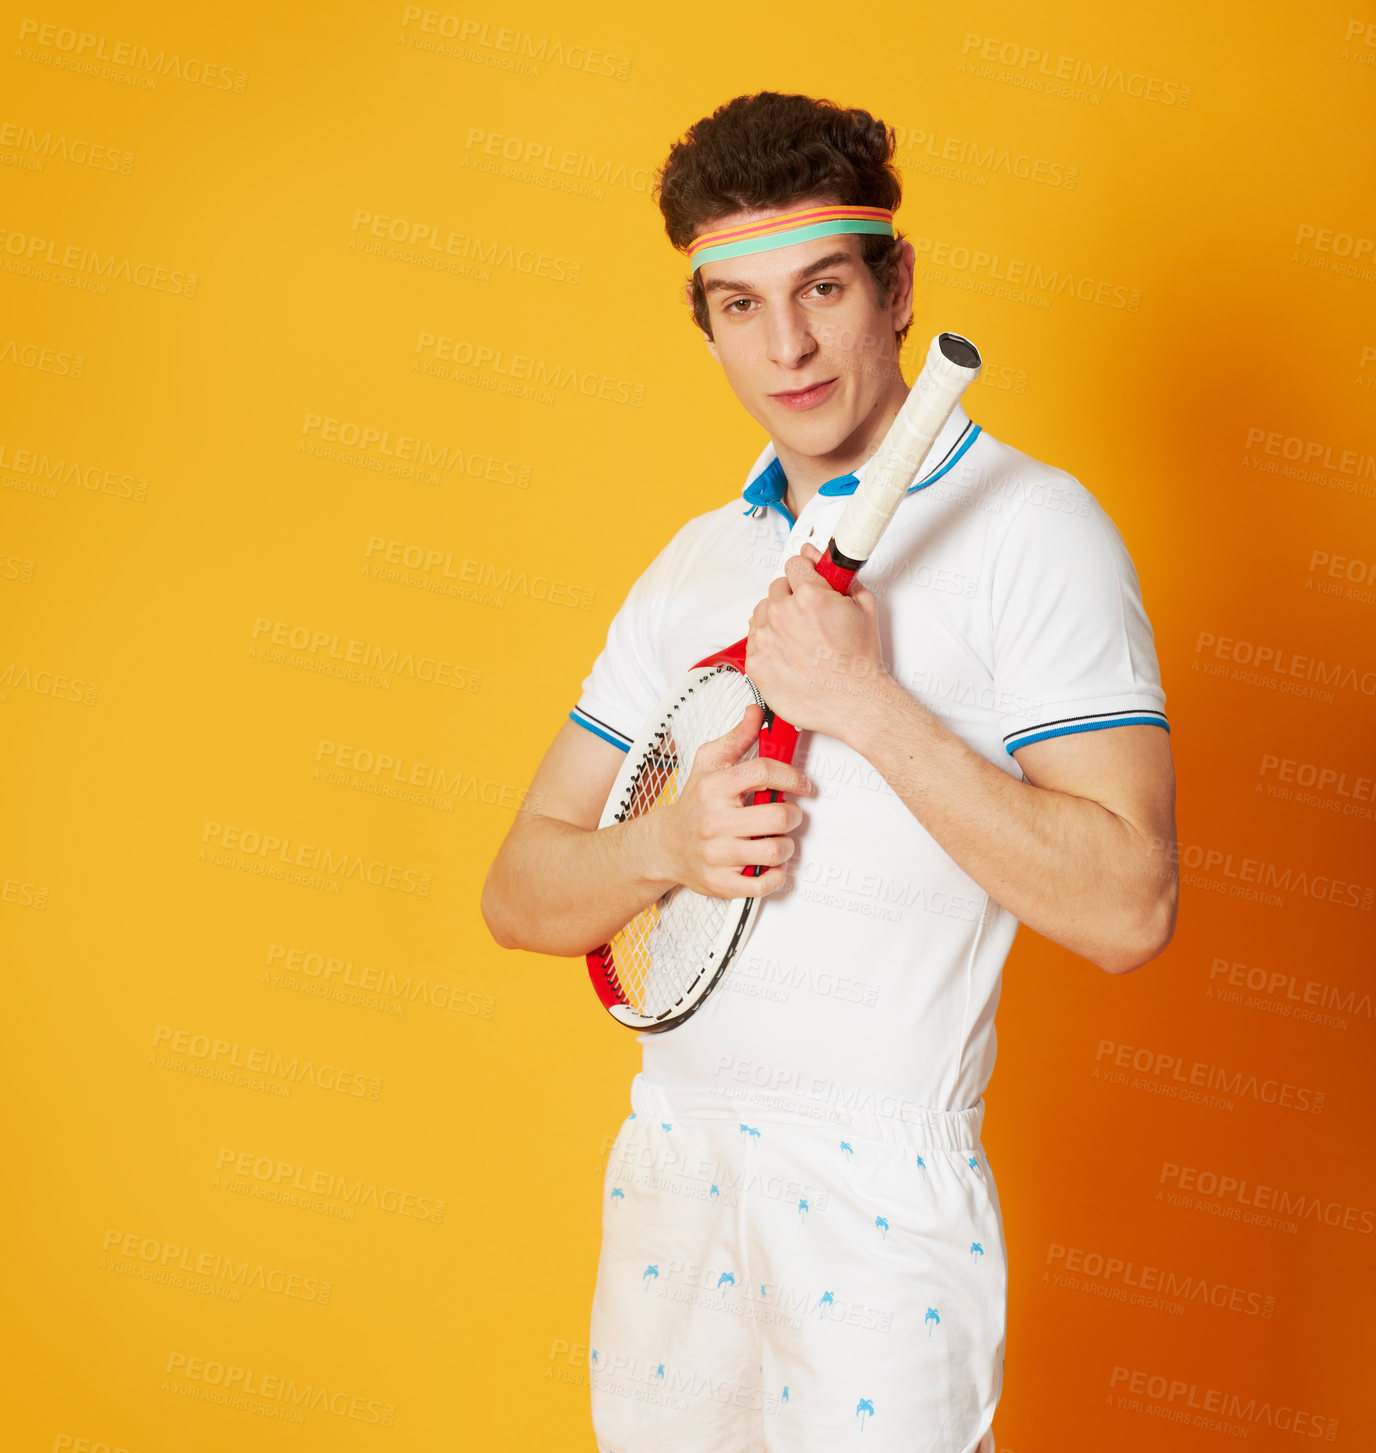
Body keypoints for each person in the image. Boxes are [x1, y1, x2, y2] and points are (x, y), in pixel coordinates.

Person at [482, 90, 1177, 1453]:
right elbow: (519, 890)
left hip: (879, 1186)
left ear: (896, 282)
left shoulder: (1035, 531)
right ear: (706, 322)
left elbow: (1128, 906)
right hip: (673, 1169)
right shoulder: (693, 566)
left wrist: (864, 700)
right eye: (739, 305)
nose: (787, 345)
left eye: (821, 288)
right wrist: (666, 850)